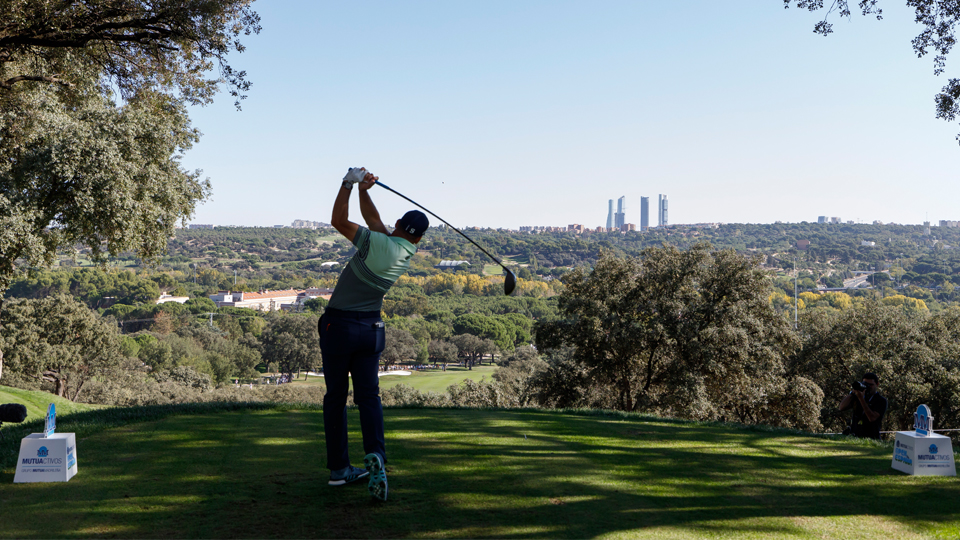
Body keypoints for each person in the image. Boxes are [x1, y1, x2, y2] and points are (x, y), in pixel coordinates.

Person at [319, 167, 429, 502]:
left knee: (336, 398)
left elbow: (340, 220)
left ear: (398, 226)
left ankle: (340, 470)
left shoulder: (377, 242)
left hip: (338, 326)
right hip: (371, 330)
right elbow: (376, 221)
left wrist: (347, 184)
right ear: (418, 238)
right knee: (369, 397)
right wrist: (367, 191)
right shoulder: (404, 251)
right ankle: (376, 456)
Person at [838, 372, 888, 440]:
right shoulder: (857, 397)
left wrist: (861, 398)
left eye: (871, 385)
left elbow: (872, 418)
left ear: (877, 384)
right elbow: (841, 407)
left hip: (871, 438)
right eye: (865, 384)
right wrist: (852, 393)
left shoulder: (881, 400)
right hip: (854, 437)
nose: (868, 387)